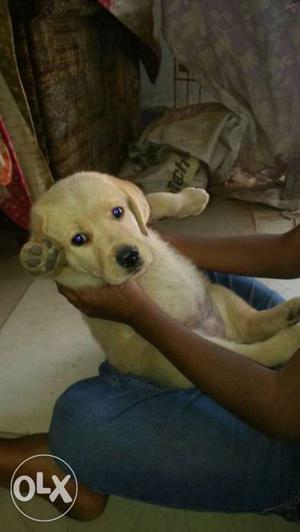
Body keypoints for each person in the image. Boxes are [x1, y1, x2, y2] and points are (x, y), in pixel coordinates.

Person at [1, 225, 300, 522]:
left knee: (79, 420)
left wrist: (138, 314)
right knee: (190, 273)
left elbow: (280, 409)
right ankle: (149, 388)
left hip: (286, 439)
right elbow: (289, 251)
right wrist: (155, 245)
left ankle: (120, 422)